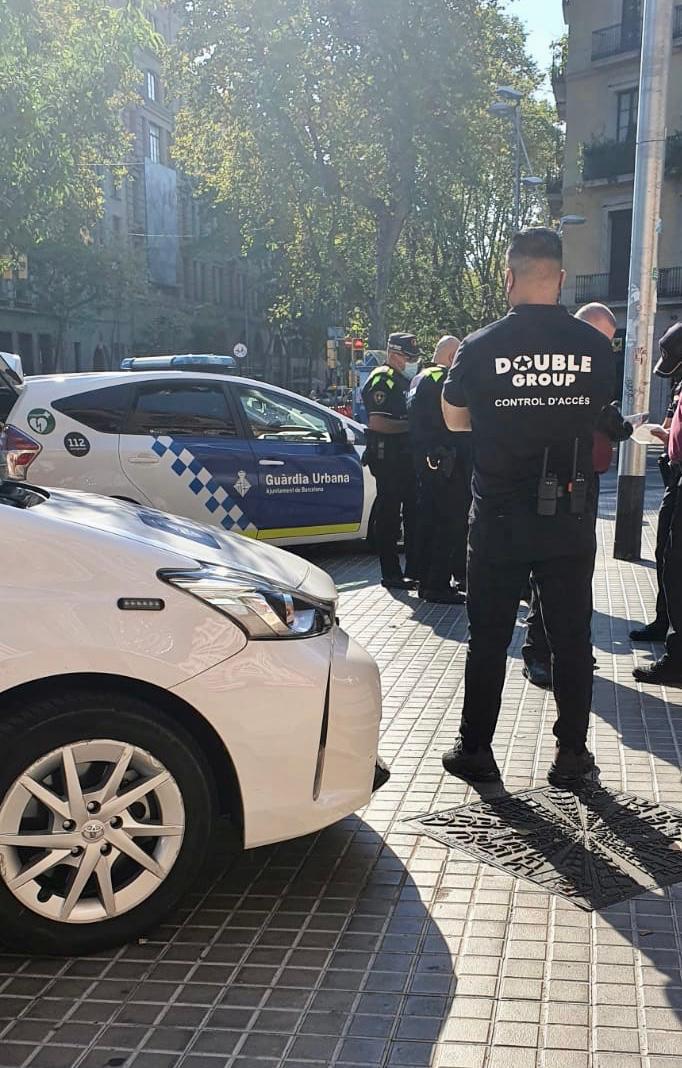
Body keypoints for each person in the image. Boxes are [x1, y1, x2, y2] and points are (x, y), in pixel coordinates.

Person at [440, 228, 614, 786]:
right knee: (571, 637)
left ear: (509, 278)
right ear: (560, 280)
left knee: (488, 637)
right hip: (569, 513)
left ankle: (477, 751)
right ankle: (570, 756)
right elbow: (596, 416)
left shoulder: (480, 345)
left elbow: (454, 419)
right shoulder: (594, 346)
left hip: (497, 517)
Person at [522, 301, 632, 689]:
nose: (605, 349)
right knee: (546, 574)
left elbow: (611, 424)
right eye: (602, 339)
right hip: (551, 483)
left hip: (582, 484)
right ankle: (538, 654)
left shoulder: (590, 371)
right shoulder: (561, 369)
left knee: (575, 577)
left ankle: (569, 652)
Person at [632, 322, 682, 686]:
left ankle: (677, 659)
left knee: (676, 567)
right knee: (668, 560)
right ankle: (665, 623)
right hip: (675, 477)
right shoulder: (679, 386)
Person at [407, 335, 468, 605]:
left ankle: (424, 578)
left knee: (428, 521)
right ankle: (438, 584)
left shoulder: (419, 377)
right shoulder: (443, 379)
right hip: (445, 462)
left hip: (425, 460)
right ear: (451, 357)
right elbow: (454, 420)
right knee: (450, 523)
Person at [362, 332, 421, 590]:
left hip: (404, 459)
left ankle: (414, 570)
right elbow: (378, 422)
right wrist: (413, 426)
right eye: (408, 357)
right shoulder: (382, 380)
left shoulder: (401, 380)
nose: (411, 362)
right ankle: (391, 573)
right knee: (389, 517)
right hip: (388, 459)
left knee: (412, 514)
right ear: (394, 353)